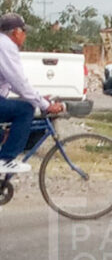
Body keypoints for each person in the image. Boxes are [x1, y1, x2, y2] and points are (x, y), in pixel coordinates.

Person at [0, 13, 64, 173]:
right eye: (24, 31)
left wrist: (39, 98)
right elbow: (19, 82)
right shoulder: (6, 46)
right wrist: (45, 105)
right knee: (25, 110)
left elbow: (11, 83)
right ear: (16, 32)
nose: (25, 35)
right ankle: (6, 160)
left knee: (3, 134)